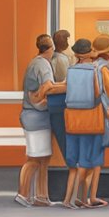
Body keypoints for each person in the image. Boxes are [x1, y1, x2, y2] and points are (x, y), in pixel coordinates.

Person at [62, 38, 109, 209]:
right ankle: (76, 198)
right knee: (90, 160)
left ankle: (72, 198)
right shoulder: (97, 70)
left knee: (75, 162)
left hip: (73, 120)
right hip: (92, 119)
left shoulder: (71, 70)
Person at [18, 34, 61, 207]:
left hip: (34, 116)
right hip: (36, 116)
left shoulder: (34, 62)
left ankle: (41, 197)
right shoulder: (43, 65)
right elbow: (47, 86)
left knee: (43, 158)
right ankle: (23, 194)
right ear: (51, 48)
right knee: (35, 158)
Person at [86, 34, 109, 208]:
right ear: (108, 52)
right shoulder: (104, 69)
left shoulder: (87, 66)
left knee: (86, 156)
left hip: (85, 116)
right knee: (96, 158)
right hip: (101, 115)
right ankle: (91, 196)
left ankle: (81, 195)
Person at [47, 29, 74, 176]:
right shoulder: (62, 59)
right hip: (60, 102)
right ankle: (71, 168)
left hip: (52, 102)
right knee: (63, 138)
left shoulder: (53, 58)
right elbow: (65, 82)